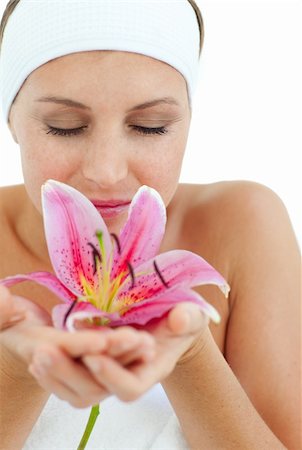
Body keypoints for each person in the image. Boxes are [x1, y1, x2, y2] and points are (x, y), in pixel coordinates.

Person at [0, 1, 300, 449]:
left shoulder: (244, 222)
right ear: (12, 120)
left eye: (150, 126)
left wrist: (191, 351)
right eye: (63, 127)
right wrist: (15, 367)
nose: (107, 171)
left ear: (188, 122)